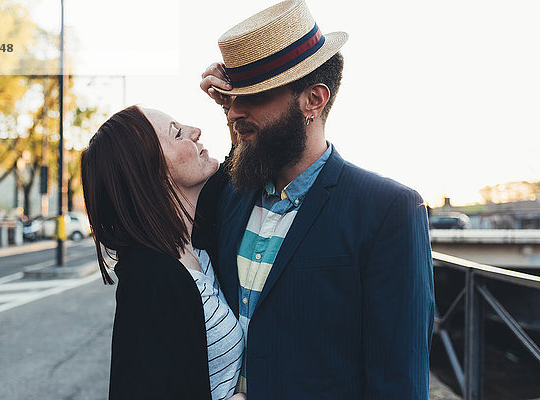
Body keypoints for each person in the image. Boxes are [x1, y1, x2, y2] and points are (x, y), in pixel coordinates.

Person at [197, 0, 435, 399]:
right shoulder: (232, 195)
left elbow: (398, 379)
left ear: (314, 99)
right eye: (232, 98)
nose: (234, 111)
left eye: (254, 96)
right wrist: (236, 104)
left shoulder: (387, 210)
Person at [81, 105, 245, 400]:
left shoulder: (200, 244)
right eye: (178, 133)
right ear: (152, 171)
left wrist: (232, 107)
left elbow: (241, 163)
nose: (195, 131)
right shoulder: (150, 278)